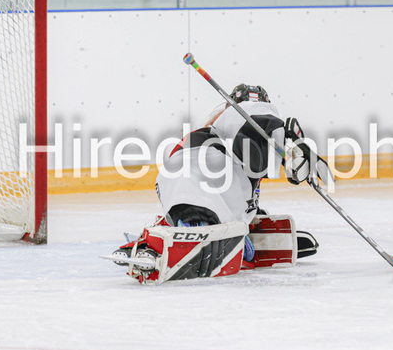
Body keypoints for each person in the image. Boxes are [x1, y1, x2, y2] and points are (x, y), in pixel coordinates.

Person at [112, 83, 328, 284]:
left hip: (183, 193)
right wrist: (285, 134)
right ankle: (183, 237)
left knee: (214, 227)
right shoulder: (235, 126)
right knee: (242, 250)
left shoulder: (221, 138)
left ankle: (153, 242)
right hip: (200, 193)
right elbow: (250, 118)